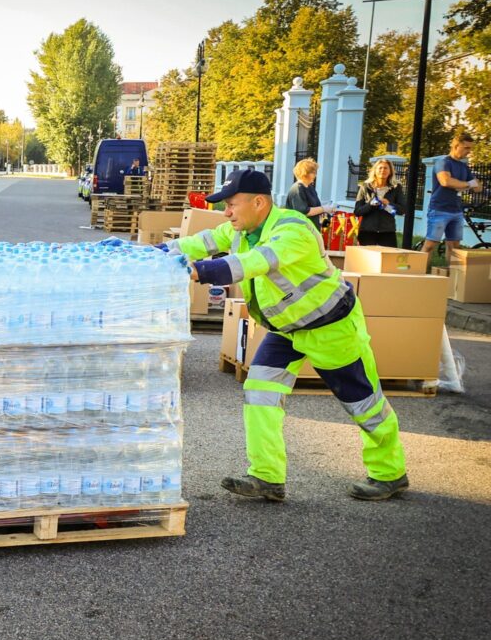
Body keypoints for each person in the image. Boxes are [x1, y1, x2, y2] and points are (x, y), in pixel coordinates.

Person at [163, 169, 407, 502]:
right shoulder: (241, 231)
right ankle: (267, 477)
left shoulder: (293, 230)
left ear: (259, 202)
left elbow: (256, 262)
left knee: (363, 403)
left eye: (232, 204)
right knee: (260, 392)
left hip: (330, 328)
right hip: (287, 331)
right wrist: (153, 255)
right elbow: (199, 242)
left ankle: (389, 473)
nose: (226, 212)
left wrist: (201, 271)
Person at [423, 133, 483, 255]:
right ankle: (418, 271)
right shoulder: (443, 162)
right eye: (466, 148)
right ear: (456, 146)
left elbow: (478, 188)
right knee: (430, 245)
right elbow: (446, 181)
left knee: (454, 247)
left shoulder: (464, 167)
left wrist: (465, 184)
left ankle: (453, 273)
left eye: (470, 148)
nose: (469, 151)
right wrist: (468, 184)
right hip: (439, 209)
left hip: (456, 211)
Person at [354, 159, 408, 247]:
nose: (383, 170)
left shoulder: (396, 187)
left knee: (388, 260)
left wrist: (388, 204)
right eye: (380, 168)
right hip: (367, 231)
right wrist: (370, 205)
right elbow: (357, 211)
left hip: (387, 232)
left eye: (386, 168)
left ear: (390, 171)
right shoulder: (365, 186)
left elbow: (402, 210)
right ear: (375, 170)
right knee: (366, 260)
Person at [286, 158, 335, 231]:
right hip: (301, 231)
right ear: (305, 173)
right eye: (313, 172)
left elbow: (315, 206)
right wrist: (324, 208)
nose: (315, 175)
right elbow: (304, 211)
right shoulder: (297, 189)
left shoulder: (310, 187)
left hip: (312, 229)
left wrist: (326, 209)